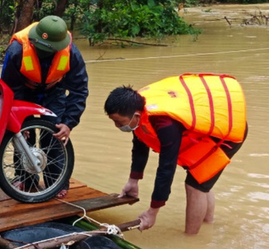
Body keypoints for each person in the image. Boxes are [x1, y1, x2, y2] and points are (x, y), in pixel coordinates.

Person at [104, 74, 247, 234]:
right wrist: (133, 180)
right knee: (201, 180)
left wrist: (153, 211)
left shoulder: (166, 124)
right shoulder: (137, 113)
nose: (117, 126)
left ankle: (191, 240)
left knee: (196, 184)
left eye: (119, 122)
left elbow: (166, 167)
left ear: (136, 115)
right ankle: (208, 224)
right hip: (203, 131)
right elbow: (140, 144)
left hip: (225, 133)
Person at [1, 15, 89, 197]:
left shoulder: (72, 53)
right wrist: (16, 119)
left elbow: (79, 89)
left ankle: (57, 182)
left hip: (53, 91)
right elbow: (9, 88)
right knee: (23, 135)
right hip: (23, 92)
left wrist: (69, 122)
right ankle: (25, 179)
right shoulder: (17, 49)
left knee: (56, 133)